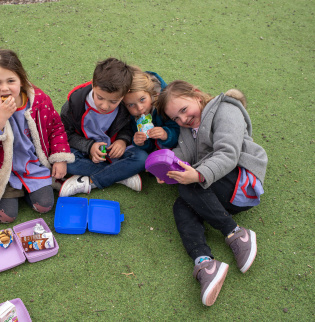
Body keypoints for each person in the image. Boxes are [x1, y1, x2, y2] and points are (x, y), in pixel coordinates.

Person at [155, 80, 268, 306]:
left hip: (242, 183)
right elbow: (184, 153)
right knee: (181, 205)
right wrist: (168, 168)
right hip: (217, 190)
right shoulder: (187, 129)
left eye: (184, 110)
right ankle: (205, 263)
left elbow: (228, 154)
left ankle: (236, 233)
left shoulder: (227, 109)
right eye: (176, 118)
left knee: (188, 185)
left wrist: (196, 176)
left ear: (196, 95)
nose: (183, 120)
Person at [0, 49, 74, 223]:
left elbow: (56, 128)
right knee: (6, 217)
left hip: (31, 165)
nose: (5, 88)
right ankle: (15, 192)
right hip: (2, 172)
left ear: (22, 81)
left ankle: (27, 189)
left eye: (11, 81)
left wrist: (60, 158)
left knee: (45, 205)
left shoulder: (38, 100)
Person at [59, 58, 147, 196]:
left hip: (113, 152)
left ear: (124, 94)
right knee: (66, 161)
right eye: (100, 97)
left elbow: (127, 127)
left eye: (113, 101)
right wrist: (89, 147)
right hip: (84, 152)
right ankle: (121, 174)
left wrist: (122, 141)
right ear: (93, 84)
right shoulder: (74, 104)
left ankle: (90, 180)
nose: (105, 106)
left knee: (142, 158)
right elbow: (65, 134)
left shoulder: (125, 105)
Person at [122, 67, 179, 160]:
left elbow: (180, 133)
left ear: (151, 93)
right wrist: (141, 143)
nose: (139, 108)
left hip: (176, 150)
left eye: (142, 99)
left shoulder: (163, 107)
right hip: (155, 154)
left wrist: (166, 134)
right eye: (131, 105)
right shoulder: (135, 118)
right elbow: (150, 147)